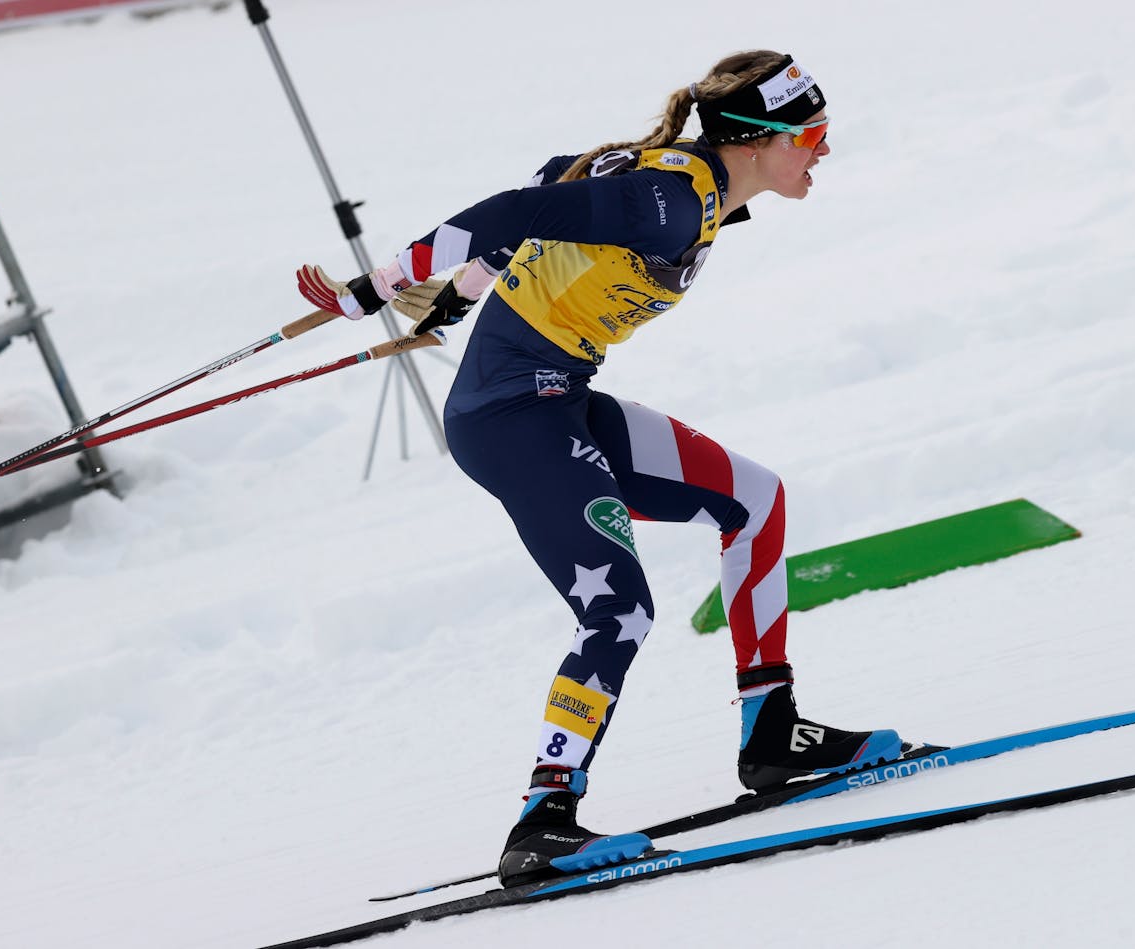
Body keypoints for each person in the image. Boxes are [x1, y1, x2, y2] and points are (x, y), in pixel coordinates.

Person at [296, 50, 914, 888]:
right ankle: (543, 819)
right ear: (758, 141)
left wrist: (458, 298)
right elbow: (508, 210)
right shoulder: (673, 196)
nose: (824, 152)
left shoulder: (688, 188)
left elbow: (550, 192)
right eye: (814, 135)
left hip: (563, 399)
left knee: (754, 500)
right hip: (515, 419)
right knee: (617, 608)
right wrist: (377, 288)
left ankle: (771, 731)